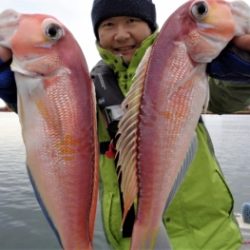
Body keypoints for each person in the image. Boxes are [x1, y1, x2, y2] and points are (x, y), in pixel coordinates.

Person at [0, 0, 250, 249]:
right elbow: (61, 134)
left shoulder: (197, 66)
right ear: (97, 34)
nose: (121, 35)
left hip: (212, 239)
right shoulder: (88, 89)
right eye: (109, 25)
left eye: (132, 21)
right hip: (129, 241)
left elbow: (227, 98)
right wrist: (20, 95)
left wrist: (242, 71)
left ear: (150, 26)